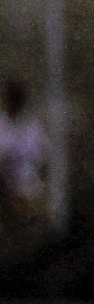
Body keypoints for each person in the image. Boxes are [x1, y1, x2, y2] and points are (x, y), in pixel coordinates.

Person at [0, 76, 47, 223]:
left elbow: (43, 159)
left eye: (18, 97)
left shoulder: (32, 127)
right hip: (5, 196)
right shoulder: (2, 125)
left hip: (29, 195)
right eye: (12, 96)